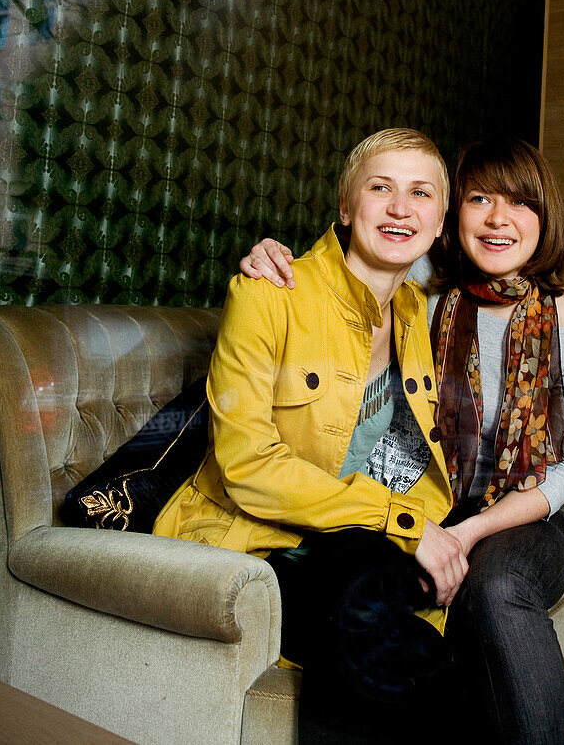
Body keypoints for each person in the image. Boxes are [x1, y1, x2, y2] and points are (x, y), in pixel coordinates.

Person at [239, 135, 564, 745]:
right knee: (366, 592)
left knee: (494, 586)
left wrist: (463, 534)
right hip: (426, 498)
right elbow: (344, 270)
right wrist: (273, 260)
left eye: (519, 204)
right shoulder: (424, 292)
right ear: (449, 219)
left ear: (545, 219)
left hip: (526, 517)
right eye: (480, 199)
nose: (497, 220)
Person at [153, 128, 466, 745]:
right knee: (368, 609)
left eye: (421, 194)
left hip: (353, 542)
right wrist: (401, 523)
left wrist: (428, 530)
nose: (401, 207)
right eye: (381, 188)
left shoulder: (418, 314)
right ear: (346, 209)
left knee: (411, 617)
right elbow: (247, 466)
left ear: (438, 227)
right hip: (255, 540)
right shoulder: (270, 292)